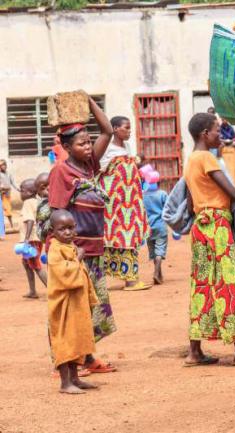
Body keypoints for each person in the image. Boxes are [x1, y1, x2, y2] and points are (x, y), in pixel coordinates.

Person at [183, 112, 235, 368]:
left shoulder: (190, 160)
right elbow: (233, 193)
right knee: (229, 283)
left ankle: (195, 351)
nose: (220, 135)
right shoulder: (207, 158)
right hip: (217, 226)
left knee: (203, 286)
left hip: (201, 227)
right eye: (217, 130)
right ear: (205, 133)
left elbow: (191, 202)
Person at [48, 94, 117, 374]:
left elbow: (107, 131)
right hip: (75, 251)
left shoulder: (88, 165)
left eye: (89, 142)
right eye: (81, 144)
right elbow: (56, 213)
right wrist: (69, 251)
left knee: (90, 305)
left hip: (94, 247)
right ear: (66, 147)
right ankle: (65, 361)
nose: (88, 147)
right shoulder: (61, 172)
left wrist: (88, 102)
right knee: (71, 307)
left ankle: (87, 358)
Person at [47, 209, 99, 394]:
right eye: (62, 229)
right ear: (52, 231)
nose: (68, 232)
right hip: (63, 306)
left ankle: (75, 378)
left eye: (71, 228)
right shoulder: (55, 249)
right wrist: (78, 258)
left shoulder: (70, 246)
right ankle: (65, 383)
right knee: (65, 341)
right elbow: (63, 273)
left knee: (77, 339)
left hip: (76, 304)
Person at [99, 116, 151, 291]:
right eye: (126, 128)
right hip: (114, 206)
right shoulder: (106, 148)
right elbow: (100, 172)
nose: (129, 131)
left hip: (130, 204)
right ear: (114, 129)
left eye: (129, 128)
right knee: (114, 238)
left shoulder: (127, 147)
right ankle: (125, 280)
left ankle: (131, 280)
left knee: (130, 238)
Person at [19, 179, 48, 299]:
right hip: (35, 239)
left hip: (31, 240)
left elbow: (30, 220)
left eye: (22, 190)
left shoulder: (28, 202)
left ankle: (52, 290)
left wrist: (26, 239)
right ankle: (32, 291)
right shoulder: (36, 201)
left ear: (30, 192)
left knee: (36, 265)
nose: (20, 193)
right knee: (26, 263)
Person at [142, 172, 168, 285]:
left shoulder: (143, 195)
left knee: (153, 251)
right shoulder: (162, 194)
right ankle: (157, 273)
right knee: (160, 250)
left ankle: (159, 274)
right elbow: (168, 208)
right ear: (158, 182)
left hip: (148, 228)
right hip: (161, 226)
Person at [0, 159, 19, 230]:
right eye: (2, 165)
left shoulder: (9, 174)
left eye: (4, 165)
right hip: (2, 193)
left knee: (8, 209)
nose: (3, 166)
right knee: (4, 210)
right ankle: (5, 226)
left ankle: (11, 225)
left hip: (7, 193)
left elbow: (13, 183)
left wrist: (18, 189)